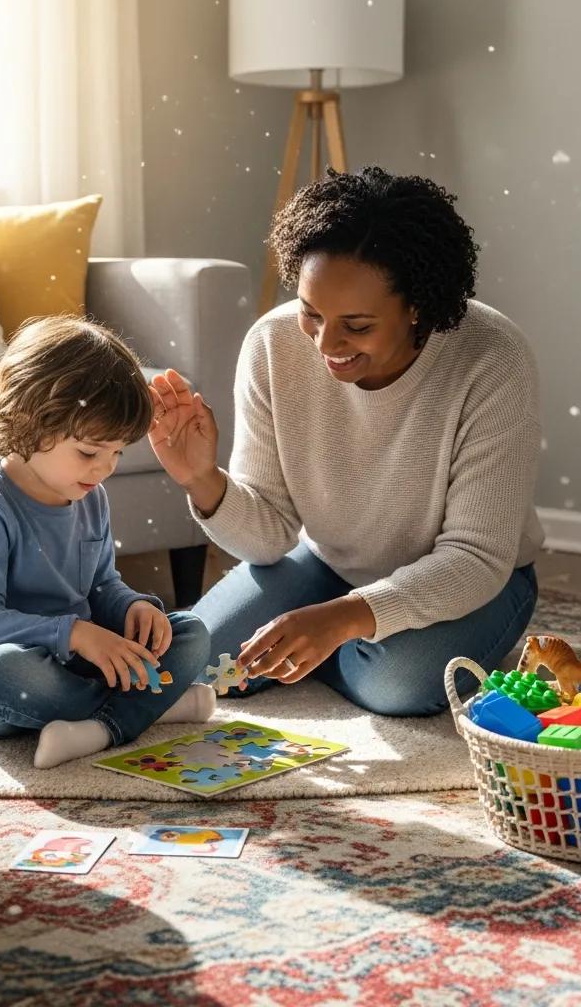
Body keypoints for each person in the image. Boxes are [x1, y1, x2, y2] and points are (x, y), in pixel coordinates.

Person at [147, 166, 544, 718]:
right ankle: (344, 649)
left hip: (478, 579)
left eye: (356, 326)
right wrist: (202, 480)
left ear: (418, 307)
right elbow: (268, 540)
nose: (326, 343)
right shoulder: (271, 344)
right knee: (195, 657)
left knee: (394, 685)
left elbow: (476, 558)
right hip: (326, 561)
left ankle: (352, 649)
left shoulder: (494, 359)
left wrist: (345, 616)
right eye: (312, 313)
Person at [0, 316, 213, 769]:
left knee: (190, 633)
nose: (104, 468)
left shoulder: (89, 495)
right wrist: (73, 633)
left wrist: (132, 607)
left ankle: (99, 724)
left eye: (117, 452)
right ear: (31, 422)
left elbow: (100, 585)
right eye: (89, 452)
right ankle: (148, 708)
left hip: (79, 663)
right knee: (3, 674)